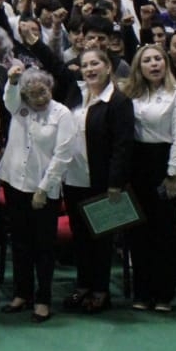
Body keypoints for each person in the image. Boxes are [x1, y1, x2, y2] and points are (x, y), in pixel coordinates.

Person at [0, 65, 75, 323]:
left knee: (43, 247)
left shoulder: (62, 114)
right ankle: (22, 293)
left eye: (42, 92)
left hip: (43, 190)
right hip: (14, 184)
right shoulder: (19, 107)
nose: (38, 98)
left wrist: (43, 188)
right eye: (31, 95)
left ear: (50, 88)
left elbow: (63, 155)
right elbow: (9, 97)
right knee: (19, 243)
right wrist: (13, 80)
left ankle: (43, 299)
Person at [57, 46, 132, 315]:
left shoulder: (119, 101)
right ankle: (83, 285)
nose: (89, 69)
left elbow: (122, 146)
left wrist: (115, 183)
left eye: (95, 64)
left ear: (108, 67)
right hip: (74, 179)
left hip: (103, 182)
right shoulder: (77, 96)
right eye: (85, 65)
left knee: (101, 239)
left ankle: (101, 291)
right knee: (80, 238)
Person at [121, 42, 176, 312]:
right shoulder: (131, 94)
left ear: (166, 63)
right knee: (139, 232)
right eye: (147, 60)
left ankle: (163, 294)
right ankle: (142, 292)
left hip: (165, 165)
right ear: (139, 66)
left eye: (158, 59)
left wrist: (173, 173)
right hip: (136, 164)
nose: (153, 64)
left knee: (164, 232)